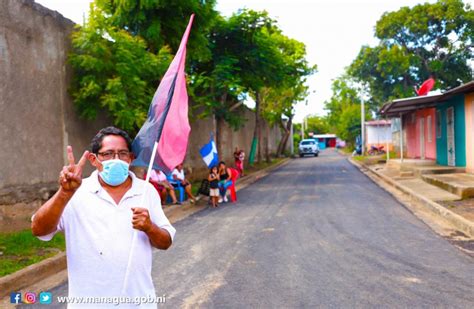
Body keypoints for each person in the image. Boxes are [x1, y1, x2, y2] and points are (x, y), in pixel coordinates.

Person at [31, 126, 175, 307]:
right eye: (108, 154)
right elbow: (38, 229)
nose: (116, 160)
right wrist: (64, 193)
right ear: (93, 159)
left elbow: (166, 242)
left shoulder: (146, 191)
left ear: (131, 158)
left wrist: (149, 227)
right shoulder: (76, 192)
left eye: (123, 154)